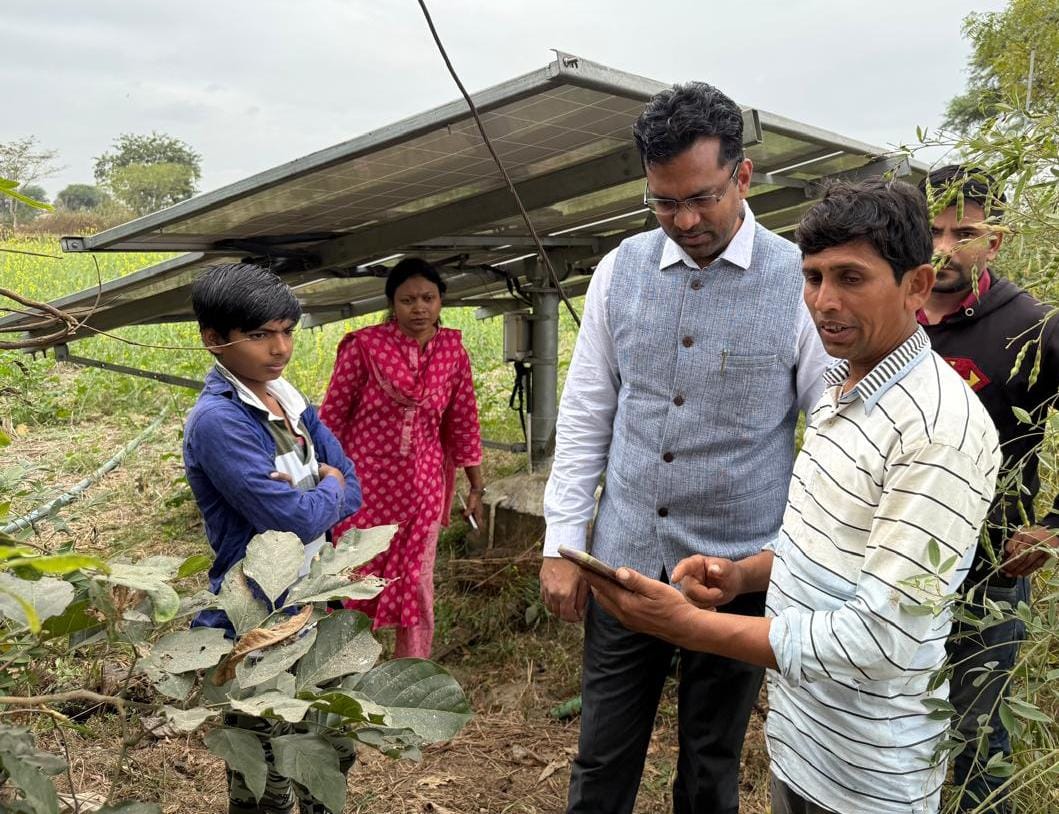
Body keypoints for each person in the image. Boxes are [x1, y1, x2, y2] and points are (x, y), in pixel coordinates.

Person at [582, 178, 1002, 814]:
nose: (824, 303)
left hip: (867, 777)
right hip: (806, 749)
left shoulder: (940, 428)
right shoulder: (844, 390)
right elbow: (830, 546)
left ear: (916, 285)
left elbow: (880, 642)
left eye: (851, 278)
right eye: (812, 277)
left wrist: (692, 625)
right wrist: (744, 572)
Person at [540, 81, 832, 814]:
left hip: (736, 571)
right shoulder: (620, 269)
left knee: (710, 763)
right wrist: (561, 542)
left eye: (701, 197)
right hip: (624, 555)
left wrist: (785, 564)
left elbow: (829, 437)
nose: (685, 219)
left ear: (742, 174)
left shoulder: (799, 284)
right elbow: (585, 415)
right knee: (601, 754)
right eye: (665, 202)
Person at [183, 262, 362, 814]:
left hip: (311, 600)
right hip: (256, 614)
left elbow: (352, 481)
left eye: (287, 330)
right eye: (260, 334)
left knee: (329, 752)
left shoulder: (286, 395)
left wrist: (319, 494)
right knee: (264, 776)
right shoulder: (219, 421)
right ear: (214, 340)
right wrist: (322, 492)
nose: (279, 347)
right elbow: (298, 518)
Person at [918, 165, 1059, 812]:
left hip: (988, 570)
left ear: (995, 241)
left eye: (964, 232)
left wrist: (1053, 527)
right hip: (899, 563)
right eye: (933, 230)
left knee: (976, 732)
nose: (944, 248)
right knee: (900, 725)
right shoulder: (892, 313)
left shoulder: (1032, 327)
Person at [319, 256, 483, 659]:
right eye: (408, 299)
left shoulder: (452, 354)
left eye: (428, 298)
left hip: (422, 491)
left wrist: (477, 484)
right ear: (392, 304)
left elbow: (462, 422)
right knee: (354, 574)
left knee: (415, 581)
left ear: (441, 301)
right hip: (363, 488)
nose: (419, 308)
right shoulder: (364, 348)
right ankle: (344, 668)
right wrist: (322, 479)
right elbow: (332, 417)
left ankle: (411, 669)